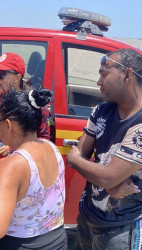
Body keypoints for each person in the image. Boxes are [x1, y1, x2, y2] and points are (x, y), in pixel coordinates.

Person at [0, 90, 67, 249]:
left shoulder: (13, 165)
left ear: (8, 124)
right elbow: (11, 166)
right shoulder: (51, 148)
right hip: (57, 241)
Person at [66, 48, 142, 250]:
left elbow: (84, 162)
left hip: (121, 228)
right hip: (88, 216)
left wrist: (106, 178)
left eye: (103, 74)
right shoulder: (102, 110)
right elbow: (75, 157)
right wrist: (108, 180)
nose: (98, 82)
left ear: (127, 74)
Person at [0, 52, 53, 189]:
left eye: (1, 74)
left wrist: (14, 149)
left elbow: (44, 141)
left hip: (22, 170)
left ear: (18, 77)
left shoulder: (35, 106)